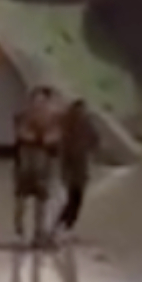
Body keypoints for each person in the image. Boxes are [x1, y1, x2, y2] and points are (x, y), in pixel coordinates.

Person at [12, 86, 60, 245]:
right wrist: (39, 138)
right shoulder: (23, 117)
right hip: (26, 163)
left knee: (41, 200)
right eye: (36, 101)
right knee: (21, 198)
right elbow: (22, 133)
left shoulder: (53, 119)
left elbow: (54, 138)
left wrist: (40, 138)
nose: (39, 105)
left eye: (43, 101)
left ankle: (38, 233)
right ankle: (20, 227)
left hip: (42, 164)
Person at [52, 98, 95, 242]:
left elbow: (94, 141)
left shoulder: (75, 126)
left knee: (73, 200)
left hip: (76, 168)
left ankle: (61, 227)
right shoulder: (76, 127)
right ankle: (63, 227)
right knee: (74, 200)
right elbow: (94, 142)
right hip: (75, 168)